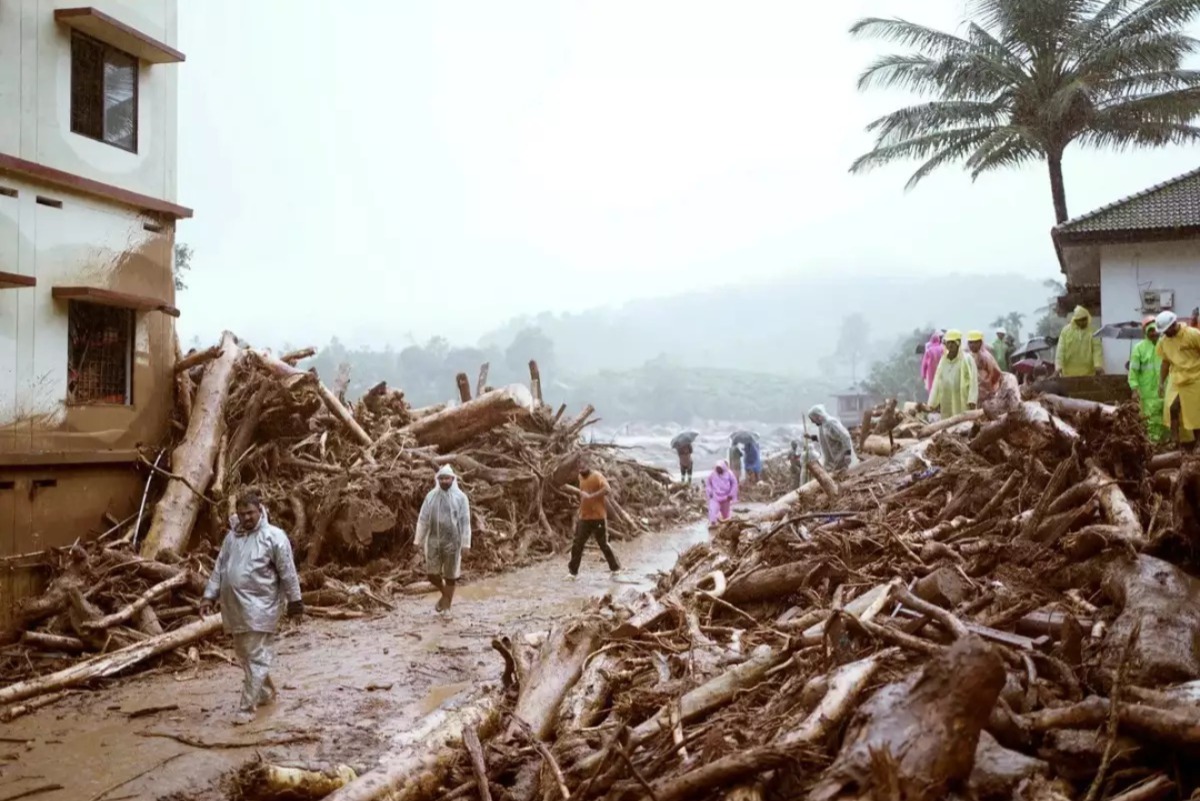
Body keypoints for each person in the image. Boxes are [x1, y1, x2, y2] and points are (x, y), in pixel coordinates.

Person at [200, 492, 303, 726]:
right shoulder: (231, 538)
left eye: (251, 513)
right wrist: (208, 596)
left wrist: (295, 603)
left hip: (262, 608)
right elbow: (219, 568)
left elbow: (288, 571)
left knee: (255, 656)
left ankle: (246, 708)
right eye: (242, 513)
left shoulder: (274, 537)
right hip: (235, 608)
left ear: (261, 510)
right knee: (246, 656)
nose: (246, 518)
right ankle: (266, 693)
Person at [415, 465, 472, 613]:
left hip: (453, 542)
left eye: (447, 478)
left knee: (451, 575)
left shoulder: (461, 498)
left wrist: (466, 544)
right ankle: (445, 595)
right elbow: (423, 519)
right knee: (432, 575)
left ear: (453, 479)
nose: (444, 481)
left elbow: (465, 522)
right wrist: (417, 540)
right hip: (434, 540)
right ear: (438, 479)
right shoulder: (431, 497)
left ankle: (446, 607)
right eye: (442, 478)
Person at [568, 458, 621, 577]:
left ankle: (616, 568)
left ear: (588, 465)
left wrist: (592, 496)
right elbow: (583, 494)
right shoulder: (580, 478)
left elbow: (607, 489)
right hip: (584, 517)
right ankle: (572, 572)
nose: (581, 469)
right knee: (577, 544)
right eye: (579, 467)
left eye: (584, 466)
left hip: (598, 517)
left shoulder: (597, 476)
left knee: (603, 544)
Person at [1156, 310, 1200, 446]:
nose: (1164, 333)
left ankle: (1198, 443)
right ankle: (1175, 440)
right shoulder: (1164, 341)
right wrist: (1161, 383)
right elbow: (1165, 362)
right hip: (1176, 378)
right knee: (1172, 408)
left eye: (1166, 330)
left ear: (1173, 325)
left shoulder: (1193, 334)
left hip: (1195, 378)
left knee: (1195, 413)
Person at [1129, 318, 1167, 443]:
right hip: (1147, 392)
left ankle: (1166, 444)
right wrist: (1134, 389)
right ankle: (1153, 444)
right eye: (1150, 330)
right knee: (1151, 419)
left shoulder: (1166, 345)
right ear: (1145, 331)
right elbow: (1133, 371)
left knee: (1166, 417)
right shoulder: (1139, 348)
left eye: (1156, 329)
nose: (1154, 333)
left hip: (1165, 389)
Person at [928, 330, 979, 417]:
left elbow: (973, 380)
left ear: (958, 343)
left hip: (962, 398)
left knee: (962, 421)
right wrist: (932, 402)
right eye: (948, 343)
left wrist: (972, 399)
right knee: (947, 422)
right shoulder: (943, 360)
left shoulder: (967, 359)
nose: (950, 345)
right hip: (946, 397)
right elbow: (937, 380)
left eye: (952, 342)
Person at [1056, 306, 1104, 377]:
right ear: (1075, 320)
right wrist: (1058, 367)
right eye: (1080, 320)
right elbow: (1061, 350)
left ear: (1087, 318)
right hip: (1069, 374)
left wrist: (1098, 366)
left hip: (1088, 373)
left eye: (1084, 319)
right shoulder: (1066, 331)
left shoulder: (1092, 331)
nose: (1082, 322)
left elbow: (1097, 349)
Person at [807, 404, 855, 472]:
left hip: (840, 458)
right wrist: (811, 437)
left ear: (818, 416)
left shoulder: (831, 423)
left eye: (812, 419)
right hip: (831, 460)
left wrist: (848, 453)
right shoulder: (822, 425)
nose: (812, 422)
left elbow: (845, 436)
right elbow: (825, 440)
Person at [967, 331, 1003, 403]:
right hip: (971, 392)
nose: (972, 345)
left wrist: (986, 382)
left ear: (980, 343)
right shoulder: (967, 356)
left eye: (974, 342)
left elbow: (997, 373)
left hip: (985, 392)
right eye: (970, 342)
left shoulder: (986, 356)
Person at [705, 459, 739, 525]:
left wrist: (731, 494)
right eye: (717, 468)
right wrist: (710, 492)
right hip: (715, 497)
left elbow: (734, 483)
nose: (718, 470)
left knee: (726, 515)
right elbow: (708, 483)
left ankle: (726, 526)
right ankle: (713, 524)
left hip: (726, 497)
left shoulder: (729, 474)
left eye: (720, 468)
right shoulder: (712, 474)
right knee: (712, 512)